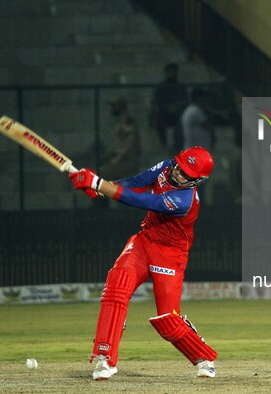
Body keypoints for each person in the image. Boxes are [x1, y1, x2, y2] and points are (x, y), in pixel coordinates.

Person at [68, 146, 217, 380]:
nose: (178, 174)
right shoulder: (167, 166)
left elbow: (140, 200)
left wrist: (99, 184)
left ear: (198, 180)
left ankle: (203, 357)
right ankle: (105, 358)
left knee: (168, 321)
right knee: (116, 289)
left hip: (170, 254)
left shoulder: (184, 200)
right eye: (180, 167)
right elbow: (137, 182)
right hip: (144, 241)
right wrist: (102, 188)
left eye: (187, 174)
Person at [100, 96, 141, 180]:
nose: (112, 108)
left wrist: (119, 157)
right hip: (122, 157)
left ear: (120, 107)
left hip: (128, 159)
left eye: (114, 106)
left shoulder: (127, 120)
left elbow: (131, 141)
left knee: (102, 172)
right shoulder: (121, 120)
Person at [149, 63, 188, 151]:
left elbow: (185, 101)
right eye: (169, 72)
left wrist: (177, 107)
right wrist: (167, 108)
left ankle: (178, 145)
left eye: (173, 72)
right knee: (159, 120)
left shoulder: (180, 87)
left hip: (177, 114)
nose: (171, 74)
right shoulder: (160, 87)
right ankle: (164, 145)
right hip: (164, 113)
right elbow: (156, 102)